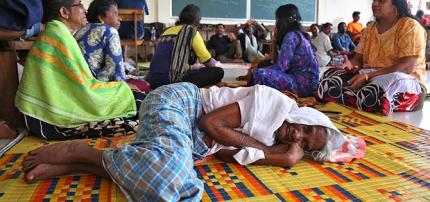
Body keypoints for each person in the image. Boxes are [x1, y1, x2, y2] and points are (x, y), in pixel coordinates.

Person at [22, 83, 365, 201]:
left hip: (189, 139)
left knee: (181, 186)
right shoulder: (273, 103)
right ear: (305, 116)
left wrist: (277, 157)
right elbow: (211, 122)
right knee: (170, 175)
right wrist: (271, 154)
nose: (297, 135)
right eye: (304, 127)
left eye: (305, 141)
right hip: (179, 103)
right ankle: (79, 151)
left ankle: (78, 165)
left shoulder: (281, 144)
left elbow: (229, 154)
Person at [15, 0, 145, 140]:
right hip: (51, 121)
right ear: (64, 12)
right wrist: (121, 88)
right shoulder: (59, 36)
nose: (85, 10)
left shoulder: (59, 33)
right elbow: (85, 88)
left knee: (137, 100)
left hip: (41, 114)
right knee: (138, 109)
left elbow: (78, 82)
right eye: (80, 4)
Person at [318, 0, 427, 115]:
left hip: (403, 82)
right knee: (329, 78)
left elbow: (406, 67)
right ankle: (359, 98)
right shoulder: (370, 29)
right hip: (369, 76)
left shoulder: (409, 26)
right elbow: (358, 59)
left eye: (381, 0)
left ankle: (355, 96)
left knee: (385, 83)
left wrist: (368, 76)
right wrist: (352, 66)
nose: (375, 4)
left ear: (395, 4)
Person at [147, 4, 223, 88]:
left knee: (197, 69)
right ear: (198, 20)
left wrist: (192, 67)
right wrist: (217, 64)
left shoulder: (167, 30)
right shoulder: (191, 32)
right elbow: (207, 61)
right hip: (171, 81)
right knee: (218, 72)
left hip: (152, 79)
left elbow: (169, 60)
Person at [252, 4, 320, 97]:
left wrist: (257, 71)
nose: (276, 22)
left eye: (277, 19)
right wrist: (275, 41)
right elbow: (276, 62)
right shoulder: (299, 34)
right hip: (309, 84)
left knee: (258, 73)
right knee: (263, 66)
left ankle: (256, 100)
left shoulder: (291, 36)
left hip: (301, 85)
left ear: (282, 20)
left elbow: (281, 67)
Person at [74, 0, 125, 81]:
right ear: (101, 17)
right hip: (95, 86)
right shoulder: (110, 31)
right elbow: (115, 70)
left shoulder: (80, 30)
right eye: (115, 13)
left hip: (78, 82)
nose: (120, 18)